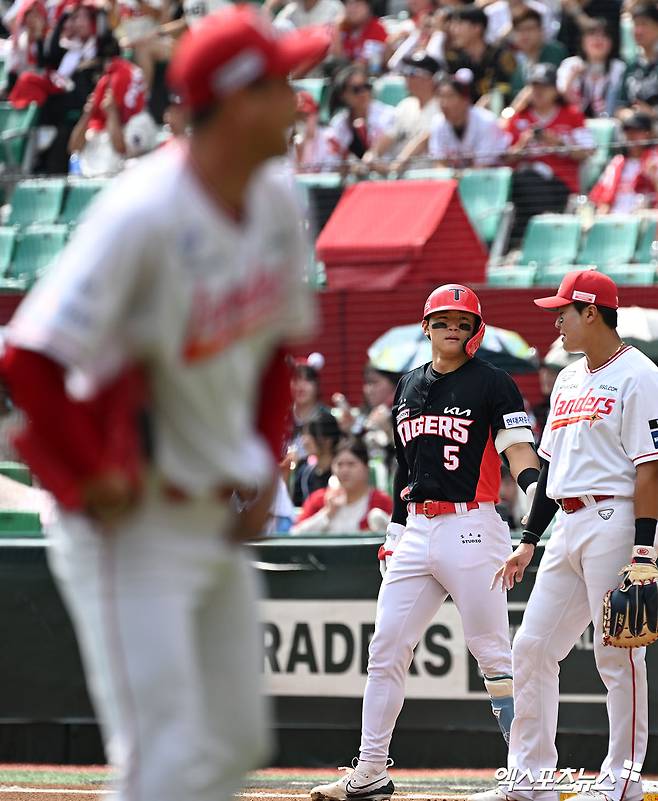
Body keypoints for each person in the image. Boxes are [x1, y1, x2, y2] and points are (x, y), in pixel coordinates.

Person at [0, 7, 329, 801]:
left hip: (209, 502)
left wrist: (261, 465)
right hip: (126, 517)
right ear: (237, 100)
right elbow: (26, 360)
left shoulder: (279, 202)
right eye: (282, 84)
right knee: (165, 758)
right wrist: (88, 479)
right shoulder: (143, 212)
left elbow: (271, 357)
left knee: (234, 740)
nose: (298, 101)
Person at [310, 284, 540, 801]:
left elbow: (517, 450)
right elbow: (403, 467)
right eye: (442, 321)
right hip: (415, 528)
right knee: (386, 648)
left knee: (493, 656)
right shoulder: (409, 384)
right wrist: (394, 531)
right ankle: (370, 770)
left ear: (475, 328)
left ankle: (526, 773)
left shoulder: (493, 382)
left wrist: (536, 492)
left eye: (462, 321)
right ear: (427, 326)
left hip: (472, 526)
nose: (452, 329)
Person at [471, 268, 658, 801]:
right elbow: (550, 468)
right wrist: (530, 538)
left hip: (614, 519)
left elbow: (650, 467)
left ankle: (621, 777)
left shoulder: (640, 375)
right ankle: (529, 780)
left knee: (617, 652)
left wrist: (644, 550)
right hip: (567, 525)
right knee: (530, 648)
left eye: (563, 312)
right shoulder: (571, 378)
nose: (555, 321)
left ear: (591, 312)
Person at [503, 62, 594, 244]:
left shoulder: (572, 115)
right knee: (514, 182)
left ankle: (519, 241)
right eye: (534, 86)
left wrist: (559, 142)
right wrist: (523, 144)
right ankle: (519, 241)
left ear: (555, 90)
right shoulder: (519, 118)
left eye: (544, 86)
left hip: (561, 184)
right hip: (524, 182)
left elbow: (587, 152)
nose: (538, 92)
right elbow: (504, 157)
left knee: (525, 183)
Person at [361, 51, 441, 175]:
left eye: (413, 73)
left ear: (430, 78)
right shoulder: (406, 105)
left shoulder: (441, 107)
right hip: (402, 175)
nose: (407, 77)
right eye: (406, 72)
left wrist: (395, 166)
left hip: (425, 175)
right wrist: (371, 156)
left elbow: (423, 140)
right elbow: (389, 135)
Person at [292, 436, 393, 534]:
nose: (344, 471)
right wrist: (327, 513)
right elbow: (295, 534)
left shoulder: (381, 501)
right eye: (339, 464)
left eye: (351, 464)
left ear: (366, 467)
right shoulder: (319, 499)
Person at [427, 68, 510, 167]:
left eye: (450, 96)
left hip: (490, 179)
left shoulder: (486, 121)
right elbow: (439, 164)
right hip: (456, 178)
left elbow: (482, 167)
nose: (444, 103)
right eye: (441, 96)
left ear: (465, 100)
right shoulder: (438, 122)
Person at [444, 5, 517, 107]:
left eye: (459, 24)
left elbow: (507, 90)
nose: (454, 30)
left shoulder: (500, 56)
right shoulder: (456, 60)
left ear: (477, 28)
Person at [327, 64, 396, 166]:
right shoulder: (338, 124)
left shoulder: (388, 115)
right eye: (356, 89)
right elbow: (335, 160)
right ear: (343, 95)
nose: (363, 93)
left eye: (366, 87)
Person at [589, 111, 658, 213]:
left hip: (644, 220)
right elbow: (600, 198)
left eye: (637, 131)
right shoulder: (617, 162)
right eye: (627, 130)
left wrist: (654, 176)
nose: (631, 135)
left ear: (649, 134)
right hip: (614, 219)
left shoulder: (654, 159)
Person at [557, 17, 625, 118]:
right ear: (582, 41)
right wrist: (571, 78)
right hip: (574, 123)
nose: (598, 39)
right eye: (592, 34)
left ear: (612, 42)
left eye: (604, 35)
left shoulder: (619, 68)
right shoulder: (570, 64)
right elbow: (560, 94)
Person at [510, 7, 568, 99]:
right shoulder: (519, 68)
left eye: (529, 29)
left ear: (541, 30)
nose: (524, 35)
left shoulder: (554, 51)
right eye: (519, 30)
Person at [291, 409, 342, 506]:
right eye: (304, 435)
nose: (304, 441)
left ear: (328, 440)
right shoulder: (304, 471)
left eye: (310, 435)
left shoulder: (342, 472)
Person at [617, 3, 658, 121]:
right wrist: (628, 114)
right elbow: (620, 106)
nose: (638, 31)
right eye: (636, 25)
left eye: (644, 24)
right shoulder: (631, 66)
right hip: (634, 130)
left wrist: (652, 113)